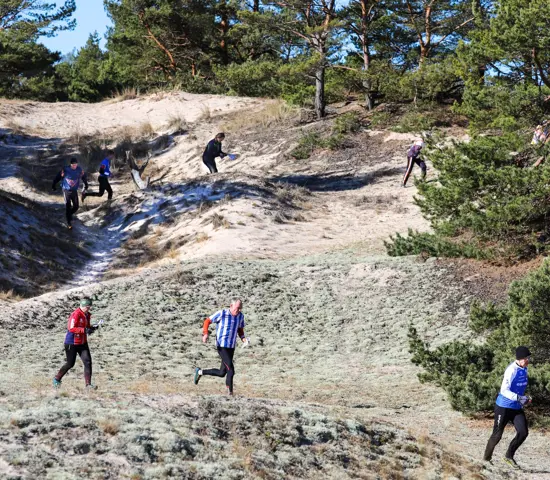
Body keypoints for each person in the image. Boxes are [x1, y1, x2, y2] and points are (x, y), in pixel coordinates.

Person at [483, 346, 532, 469]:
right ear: (520, 359)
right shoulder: (511, 370)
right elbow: (504, 390)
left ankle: (508, 456)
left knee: (523, 432)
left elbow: (519, 387)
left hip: (516, 407)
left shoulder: (524, 369)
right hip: (503, 407)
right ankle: (486, 459)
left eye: (529, 358)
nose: (528, 360)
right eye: (526, 358)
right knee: (497, 435)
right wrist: (519, 398)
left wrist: (525, 398)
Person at [193, 299, 247, 395]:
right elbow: (207, 321)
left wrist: (243, 338)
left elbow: (240, 330)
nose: (238, 310)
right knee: (231, 370)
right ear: (231, 306)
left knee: (222, 373)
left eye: (240, 309)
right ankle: (230, 394)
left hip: (231, 346)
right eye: (237, 308)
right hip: (221, 345)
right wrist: (205, 334)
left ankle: (200, 372)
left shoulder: (241, 316)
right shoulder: (222, 313)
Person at [53, 298, 99, 390]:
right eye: (88, 307)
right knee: (70, 364)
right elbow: (71, 328)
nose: (89, 309)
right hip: (72, 343)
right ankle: (57, 379)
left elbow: (86, 327)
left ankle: (88, 385)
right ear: (83, 306)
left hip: (82, 342)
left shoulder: (87, 315)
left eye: (89, 307)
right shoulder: (76, 314)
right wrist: (84, 330)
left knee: (88, 362)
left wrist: (92, 328)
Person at [52, 158, 89, 229]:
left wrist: (86, 184)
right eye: (73, 165)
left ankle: (68, 215)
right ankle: (69, 222)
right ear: (70, 164)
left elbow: (83, 177)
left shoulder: (79, 169)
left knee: (76, 207)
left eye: (76, 164)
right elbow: (58, 177)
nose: (74, 166)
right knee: (68, 206)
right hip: (66, 190)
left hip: (74, 190)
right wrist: (53, 185)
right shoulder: (65, 169)